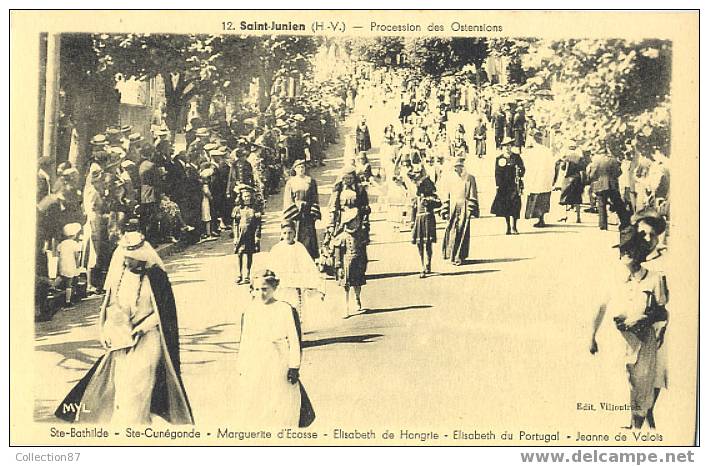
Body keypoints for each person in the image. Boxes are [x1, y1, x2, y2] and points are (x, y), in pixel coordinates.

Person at [56, 232, 193, 425]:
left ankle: (139, 425)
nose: (127, 263)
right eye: (125, 258)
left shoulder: (156, 276)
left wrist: (142, 328)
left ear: (142, 257)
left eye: (132, 259)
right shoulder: (119, 277)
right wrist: (106, 332)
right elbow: (110, 308)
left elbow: (163, 313)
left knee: (140, 385)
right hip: (123, 340)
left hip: (148, 338)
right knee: (122, 387)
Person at [589, 225, 669, 429]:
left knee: (642, 384)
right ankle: (631, 425)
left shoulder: (654, 278)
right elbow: (600, 307)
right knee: (621, 385)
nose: (627, 253)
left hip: (644, 341)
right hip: (616, 341)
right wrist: (592, 336)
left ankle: (637, 430)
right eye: (623, 249)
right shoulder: (611, 278)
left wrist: (642, 319)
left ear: (641, 252)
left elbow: (661, 310)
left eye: (631, 248)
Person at [235, 270, 315, 428]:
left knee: (281, 399)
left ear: (274, 288)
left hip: (278, 360)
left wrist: (294, 366)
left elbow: (294, 339)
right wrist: (241, 365)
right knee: (258, 400)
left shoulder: (285, 309)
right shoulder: (249, 311)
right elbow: (245, 341)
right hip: (256, 361)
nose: (261, 293)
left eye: (265, 289)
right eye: (257, 289)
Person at [267, 221, 324, 322]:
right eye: (284, 233)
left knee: (296, 308)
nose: (287, 236)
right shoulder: (276, 249)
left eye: (290, 233)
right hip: (281, 285)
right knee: (282, 309)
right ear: (281, 234)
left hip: (296, 285)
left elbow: (308, 266)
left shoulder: (299, 247)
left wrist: (315, 283)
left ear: (294, 233)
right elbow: (271, 268)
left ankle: (296, 332)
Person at [441, 158, 479, 266]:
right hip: (453, 206)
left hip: (465, 207)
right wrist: (445, 208)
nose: (457, 169)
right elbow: (446, 194)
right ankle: (450, 254)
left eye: (459, 166)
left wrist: (471, 209)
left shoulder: (470, 178)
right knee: (452, 230)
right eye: (455, 167)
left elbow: (473, 194)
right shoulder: (449, 179)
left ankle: (459, 256)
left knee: (462, 231)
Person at [332, 207, 368, 317]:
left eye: (357, 220)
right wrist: (339, 266)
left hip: (357, 263)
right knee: (345, 287)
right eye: (354, 221)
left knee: (357, 284)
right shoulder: (342, 237)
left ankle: (357, 299)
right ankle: (345, 307)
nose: (356, 223)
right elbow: (338, 253)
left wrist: (364, 263)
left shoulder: (361, 236)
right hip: (346, 265)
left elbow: (363, 251)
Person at [283, 159, 321, 259]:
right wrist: (293, 212)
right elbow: (288, 199)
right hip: (296, 214)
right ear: (294, 169)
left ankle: (309, 258)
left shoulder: (310, 181)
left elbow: (314, 197)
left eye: (302, 167)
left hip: (307, 213)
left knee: (308, 237)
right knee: (296, 235)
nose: (301, 169)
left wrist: (314, 211)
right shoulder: (291, 182)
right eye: (298, 167)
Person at [409, 165, 441, 278]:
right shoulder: (414, 191)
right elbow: (413, 207)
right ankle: (421, 265)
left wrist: (429, 201)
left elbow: (438, 202)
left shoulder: (429, 187)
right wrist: (412, 221)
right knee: (419, 244)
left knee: (428, 244)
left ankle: (428, 264)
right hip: (419, 218)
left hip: (428, 218)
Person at [588, 145, 631, 230]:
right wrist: (613, 177)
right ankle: (625, 222)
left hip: (600, 184)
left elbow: (592, 174)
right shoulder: (613, 160)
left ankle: (603, 225)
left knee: (601, 204)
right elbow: (619, 172)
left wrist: (594, 179)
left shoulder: (596, 161)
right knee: (618, 203)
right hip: (612, 184)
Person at [491, 137, 526, 235]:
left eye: (509, 145)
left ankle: (514, 226)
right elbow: (497, 173)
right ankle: (507, 227)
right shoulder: (499, 159)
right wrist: (498, 185)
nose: (507, 148)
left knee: (515, 206)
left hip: (515, 185)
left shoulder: (516, 157)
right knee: (506, 207)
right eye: (505, 146)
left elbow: (523, 169)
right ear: (502, 147)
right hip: (504, 187)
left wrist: (520, 171)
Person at [523, 131, 556, 227]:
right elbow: (552, 165)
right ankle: (542, 218)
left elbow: (527, 166)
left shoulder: (531, 152)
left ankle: (539, 219)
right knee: (543, 200)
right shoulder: (547, 150)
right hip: (546, 179)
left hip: (535, 178)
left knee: (536, 199)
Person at [232, 186, 262, 285]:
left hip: (250, 234)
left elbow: (258, 224)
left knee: (249, 254)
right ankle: (239, 274)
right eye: (245, 196)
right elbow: (235, 224)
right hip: (241, 234)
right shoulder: (237, 209)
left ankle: (248, 275)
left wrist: (257, 236)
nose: (247, 198)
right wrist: (236, 237)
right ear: (241, 197)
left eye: (249, 196)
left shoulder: (255, 208)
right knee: (240, 253)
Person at [553, 144, 585, 224]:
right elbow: (582, 167)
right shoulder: (579, 157)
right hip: (577, 178)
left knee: (564, 197)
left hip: (568, 178)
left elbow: (563, 168)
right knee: (577, 198)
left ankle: (564, 216)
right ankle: (578, 217)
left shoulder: (566, 156)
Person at [56, 223, 82, 308]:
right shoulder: (75, 244)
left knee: (65, 281)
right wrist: (78, 266)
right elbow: (76, 256)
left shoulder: (61, 244)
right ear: (74, 235)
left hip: (63, 264)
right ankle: (68, 301)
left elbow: (58, 255)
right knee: (70, 283)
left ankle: (66, 297)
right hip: (71, 264)